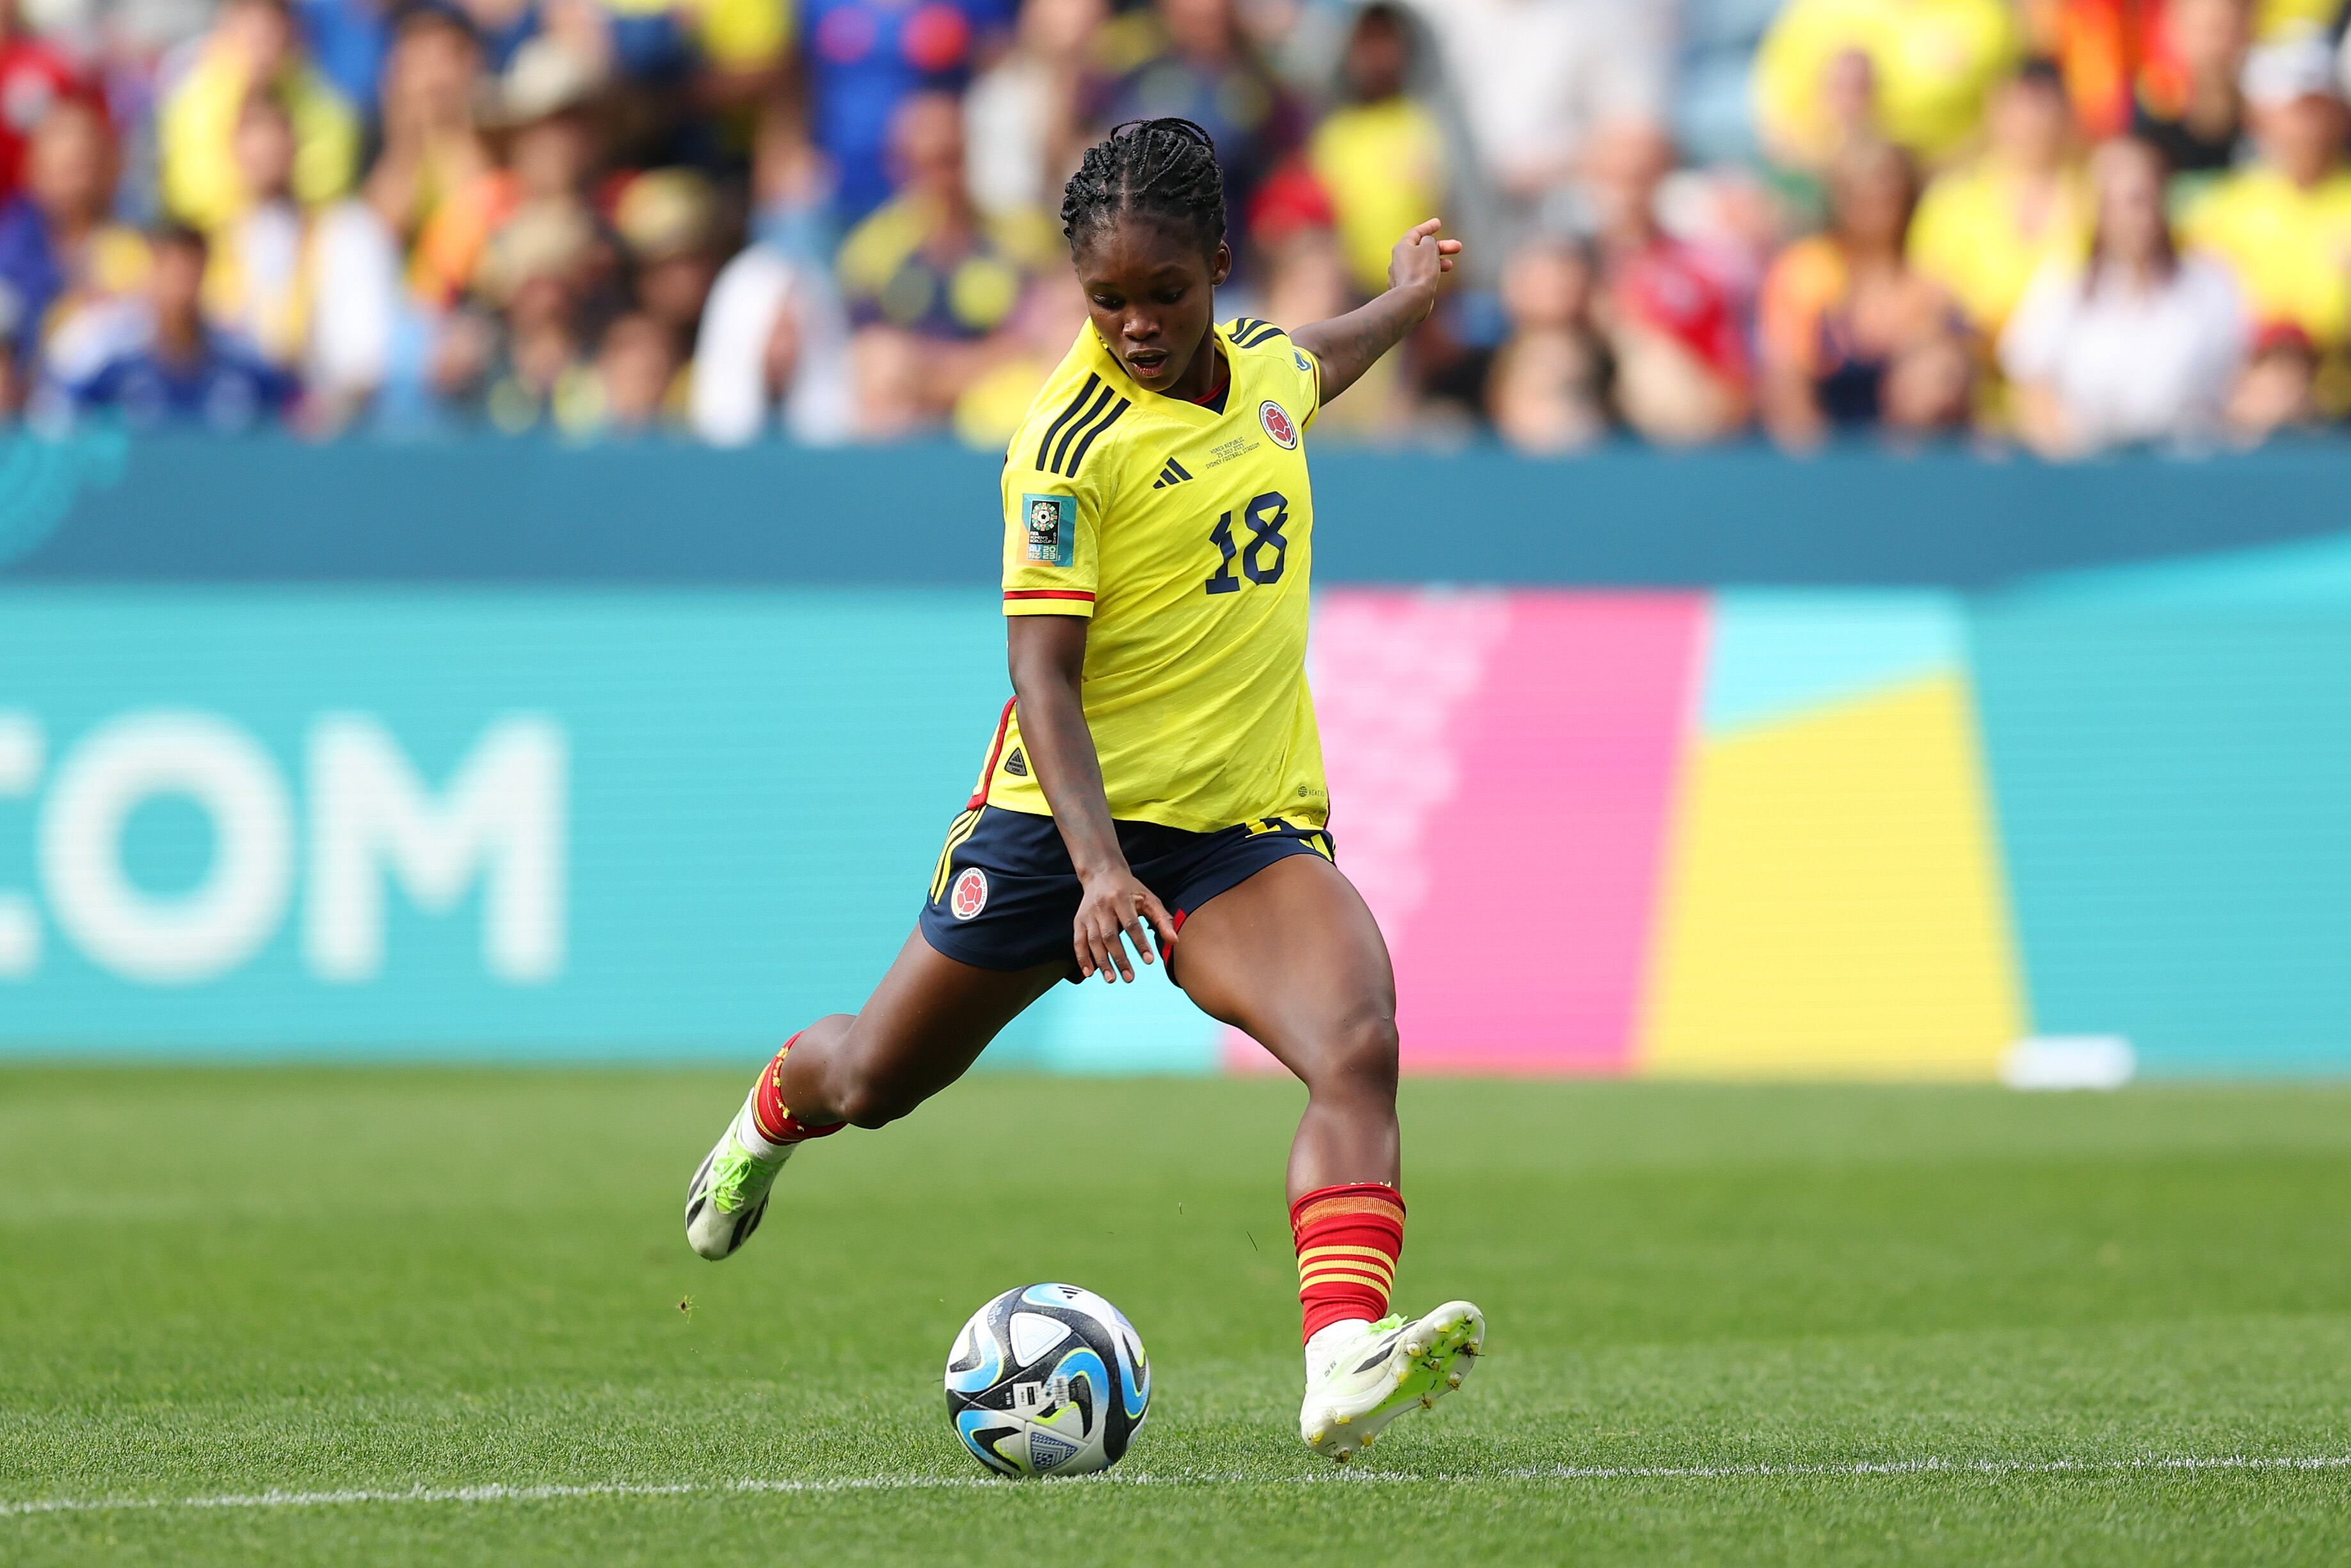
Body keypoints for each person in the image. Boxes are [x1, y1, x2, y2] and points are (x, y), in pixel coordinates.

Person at [681, 116, 1486, 1463]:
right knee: (877, 1077)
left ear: (1218, 264)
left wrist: (1406, 295)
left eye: (1163, 294)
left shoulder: (1264, 373)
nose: (1135, 324)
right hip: (1061, 829)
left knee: (1355, 1038)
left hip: (1237, 829)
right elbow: (1041, 679)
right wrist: (1100, 866)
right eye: (1105, 299)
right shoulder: (1066, 447)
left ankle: (1341, 1354)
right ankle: (774, 1106)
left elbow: (1311, 364)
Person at [2002, 137, 2244, 454]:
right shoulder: (2063, 282)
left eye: (2143, 200)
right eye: (2117, 203)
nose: (2134, 218)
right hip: (2089, 472)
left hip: (2187, 468)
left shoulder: (2209, 282)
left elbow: (2240, 382)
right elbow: (2030, 384)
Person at [1758, 138, 1970, 447]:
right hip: (1823, 444)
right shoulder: (1805, 270)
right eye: (1861, 190)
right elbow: (1785, 371)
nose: (1876, 196)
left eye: (1887, 188)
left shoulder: (1928, 278)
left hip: (1905, 450)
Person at [2180, 33, 2351, 363]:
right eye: (2296, 110)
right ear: (2259, 117)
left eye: (2320, 108)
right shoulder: (2217, 212)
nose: (2307, 127)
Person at [40, 222, 299, 430]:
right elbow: (57, 420)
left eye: (191, 274)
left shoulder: (243, 362)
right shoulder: (107, 358)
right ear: (151, 273)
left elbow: (295, 414)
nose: (181, 288)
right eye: (171, 272)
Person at [1907, 60, 2092, 340]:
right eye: (2018, 110)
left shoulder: (2096, 194)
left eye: (2042, 108)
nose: (2030, 124)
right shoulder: (1953, 198)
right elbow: (1928, 295)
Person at [1754, 0, 2019, 168]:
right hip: (1840, 192)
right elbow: (1779, 131)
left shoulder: (1981, 13)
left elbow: (2015, 116)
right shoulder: (1816, 14)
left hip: (1951, 189)